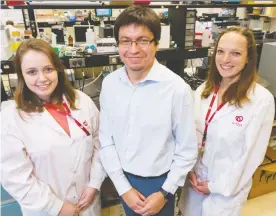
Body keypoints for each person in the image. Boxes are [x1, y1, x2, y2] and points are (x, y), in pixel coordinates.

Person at [99, 5, 198, 216]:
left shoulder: (176, 89)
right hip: (124, 179)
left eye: (143, 40)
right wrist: (123, 188)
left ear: (156, 44)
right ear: (117, 44)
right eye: (126, 41)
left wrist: (164, 192)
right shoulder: (109, 84)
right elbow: (106, 140)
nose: (133, 49)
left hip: (161, 183)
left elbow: (187, 150)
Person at [1, 38, 106, 216]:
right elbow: (15, 178)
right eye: (32, 72)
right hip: (45, 210)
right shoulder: (11, 117)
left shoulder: (82, 101)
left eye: (48, 69)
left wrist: (94, 185)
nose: (42, 78)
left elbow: (100, 144)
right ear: (22, 76)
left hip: (87, 204)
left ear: (58, 69)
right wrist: (56, 207)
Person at [178, 26, 275, 216]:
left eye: (235, 53)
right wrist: (189, 169)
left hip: (224, 194)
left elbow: (250, 157)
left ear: (248, 58)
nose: (225, 60)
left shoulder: (260, 100)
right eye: (221, 52)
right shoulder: (203, 91)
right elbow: (191, 136)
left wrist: (215, 186)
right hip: (193, 183)